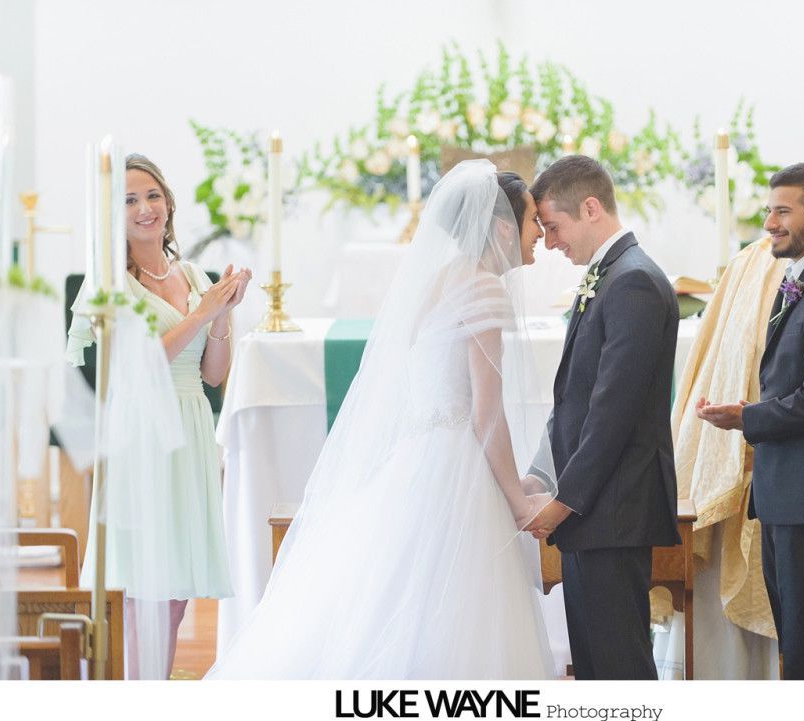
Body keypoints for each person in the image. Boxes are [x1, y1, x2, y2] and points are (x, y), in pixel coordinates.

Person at [207, 160, 557, 679]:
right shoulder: (483, 288)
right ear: (503, 226)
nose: (540, 236)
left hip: (417, 459)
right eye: (534, 222)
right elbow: (486, 418)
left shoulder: (441, 279)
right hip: (457, 469)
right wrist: (519, 501)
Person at [67, 153, 251, 678]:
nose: (145, 208)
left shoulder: (192, 274)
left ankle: (158, 688)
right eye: (128, 200)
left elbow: (214, 375)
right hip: (143, 431)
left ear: (168, 203)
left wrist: (224, 316)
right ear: (112, 215)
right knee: (139, 585)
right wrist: (202, 312)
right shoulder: (111, 285)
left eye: (152, 195)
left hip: (189, 427)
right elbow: (137, 365)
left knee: (175, 591)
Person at [523, 155, 680, 680]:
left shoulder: (633, 281)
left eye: (553, 226)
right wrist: (541, 477)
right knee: (594, 665)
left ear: (590, 208)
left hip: (612, 506)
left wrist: (564, 500)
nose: (548, 242)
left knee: (619, 667)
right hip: (598, 509)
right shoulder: (610, 275)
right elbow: (574, 398)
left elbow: (613, 412)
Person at [695, 163, 804, 679]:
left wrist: (746, 417)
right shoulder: (801, 278)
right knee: (794, 643)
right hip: (785, 493)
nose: (769, 223)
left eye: (783, 211)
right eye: (768, 210)